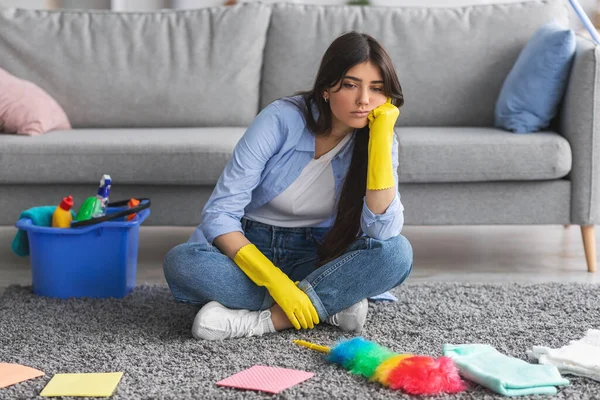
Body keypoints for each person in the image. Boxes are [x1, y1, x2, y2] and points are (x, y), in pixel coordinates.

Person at [163, 31, 413, 341]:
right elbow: (219, 214)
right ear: (326, 89)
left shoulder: (379, 134)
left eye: (376, 89)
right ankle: (329, 304)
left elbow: (381, 232)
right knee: (183, 262)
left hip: (321, 253)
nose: (364, 100)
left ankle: (263, 321)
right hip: (251, 247)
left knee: (397, 253)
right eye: (350, 85)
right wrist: (275, 282)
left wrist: (381, 139)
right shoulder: (281, 119)